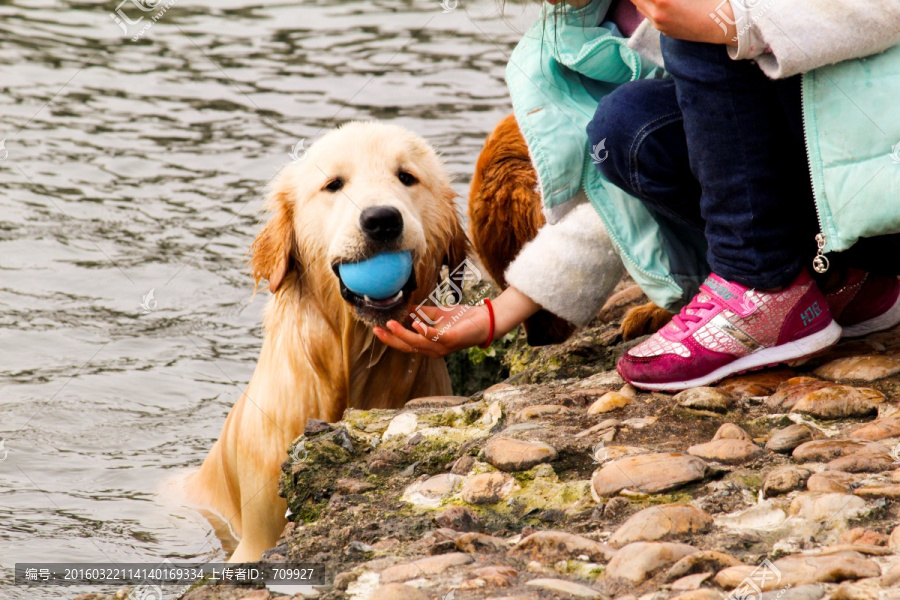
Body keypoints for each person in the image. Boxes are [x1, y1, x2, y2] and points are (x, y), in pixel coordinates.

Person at [375, 0, 900, 391]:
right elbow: (610, 204)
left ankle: (758, 288)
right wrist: (497, 314)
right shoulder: (571, 39)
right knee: (625, 129)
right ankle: (834, 282)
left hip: (883, 194)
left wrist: (738, 21)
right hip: (833, 226)